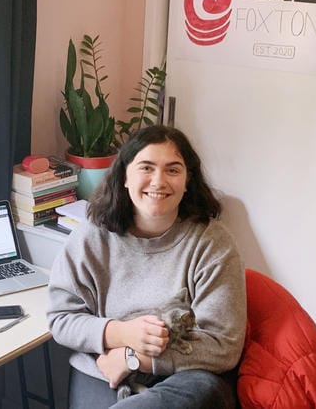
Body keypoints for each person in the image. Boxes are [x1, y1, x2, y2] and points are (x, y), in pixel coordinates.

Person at [47, 125, 247, 408]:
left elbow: (223, 346)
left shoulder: (213, 243)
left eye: (173, 170)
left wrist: (135, 357)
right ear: (125, 176)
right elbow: (61, 319)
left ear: (188, 180)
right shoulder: (91, 236)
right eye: (146, 167)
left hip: (188, 377)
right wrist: (120, 333)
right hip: (105, 368)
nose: (158, 181)